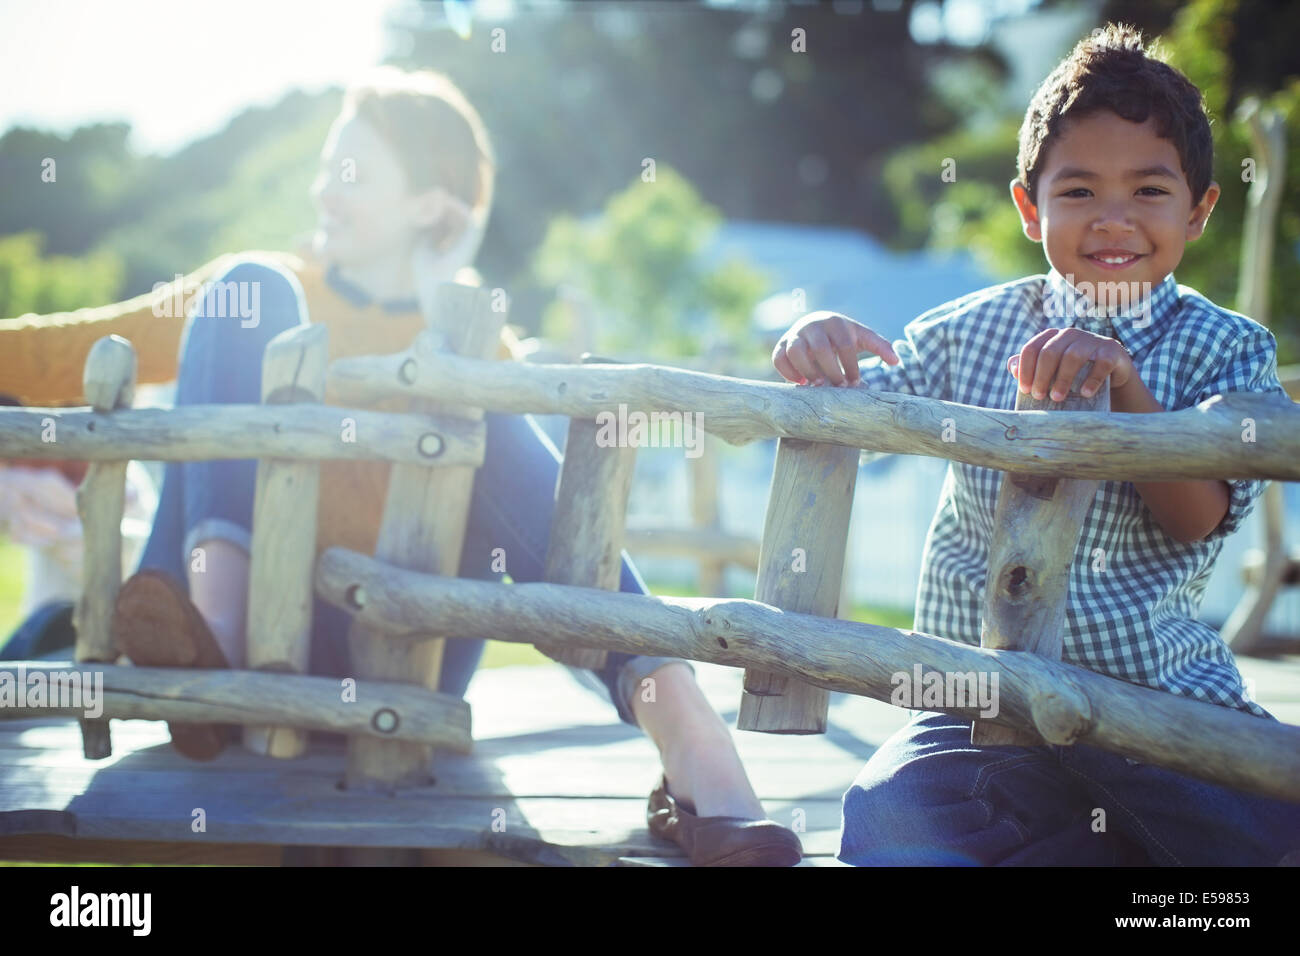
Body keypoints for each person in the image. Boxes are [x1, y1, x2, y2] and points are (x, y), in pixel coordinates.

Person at [0, 67, 800, 866]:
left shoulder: (461, 326)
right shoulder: (260, 296)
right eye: (323, 169)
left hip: (392, 659)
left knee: (469, 377)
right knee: (248, 288)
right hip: (210, 642)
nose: (323, 193)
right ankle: (217, 632)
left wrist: (437, 305)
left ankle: (684, 723)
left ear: (431, 206)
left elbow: (543, 530)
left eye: (350, 174)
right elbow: (41, 354)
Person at [771, 24, 1299, 865]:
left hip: (1153, 703)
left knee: (1273, 816)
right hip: (984, 705)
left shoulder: (1228, 349)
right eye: (1080, 192)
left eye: (1150, 192)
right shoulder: (967, 330)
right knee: (885, 817)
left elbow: (1197, 517)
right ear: (1029, 206)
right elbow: (850, 410)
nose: (1113, 220)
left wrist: (1124, 385)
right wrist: (815, 342)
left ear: (1200, 209)